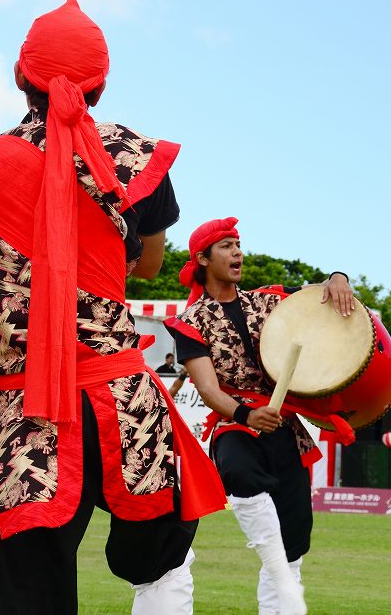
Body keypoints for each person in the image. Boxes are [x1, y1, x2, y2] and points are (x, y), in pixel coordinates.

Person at [0, 0, 226, 615]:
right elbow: (151, 265)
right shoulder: (139, 161)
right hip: (126, 408)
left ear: (18, 76)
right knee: (155, 557)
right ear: (101, 85)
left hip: (24, 418)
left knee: (26, 597)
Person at [165, 217, 355, 615]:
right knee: (239, 471)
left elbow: (318, 295)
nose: (238, 252)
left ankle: (283, 585)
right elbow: (208, 389)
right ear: (202, 259)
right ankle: (278, 568)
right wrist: (246, 414)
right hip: (236, 423)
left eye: (238, 244)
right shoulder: (189, 322)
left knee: (295, 538)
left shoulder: (269, 300)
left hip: (284, 423)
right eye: (226, 246)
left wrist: (337, 277)